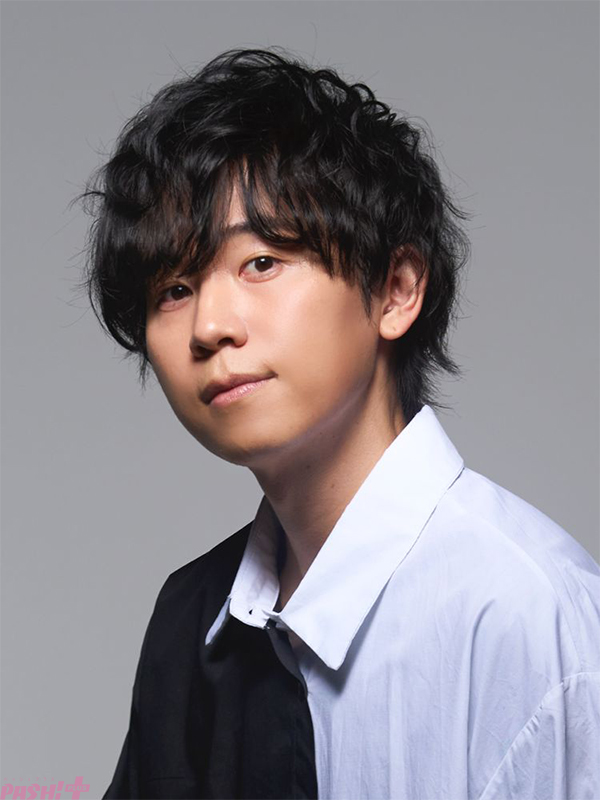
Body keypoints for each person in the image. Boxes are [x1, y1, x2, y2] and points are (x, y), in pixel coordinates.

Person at [80, 47, 600, 800]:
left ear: (396, 289)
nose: (210, 325)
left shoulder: (528, 617)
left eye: (261, 263)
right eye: (174, 288)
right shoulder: (189, 619)